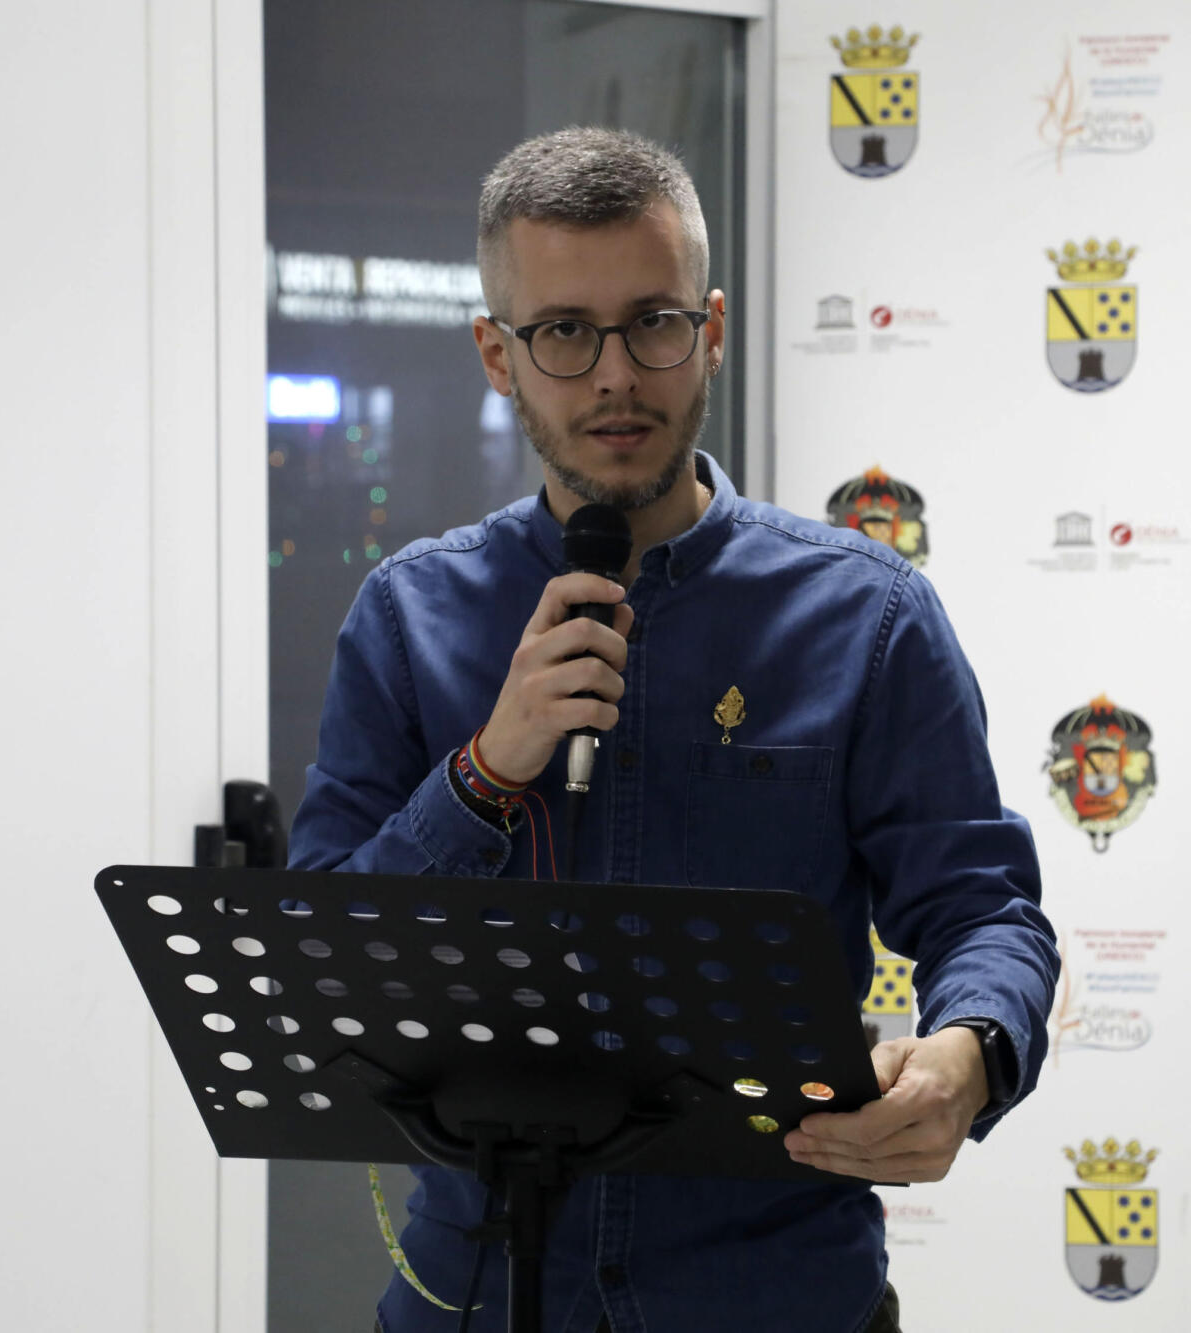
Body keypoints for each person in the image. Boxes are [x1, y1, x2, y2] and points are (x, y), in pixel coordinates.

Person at [288, 127, 1057, 1333]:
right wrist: (484, 772)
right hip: (475, 1295)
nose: (614, 377)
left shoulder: (865, 618)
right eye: (562, 332)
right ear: (496, 353)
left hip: (772, 1298)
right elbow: (320, 956)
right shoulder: (407, 615)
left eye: (651, 323)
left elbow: (981, 907)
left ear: (709, 328)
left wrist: (970, 1049)